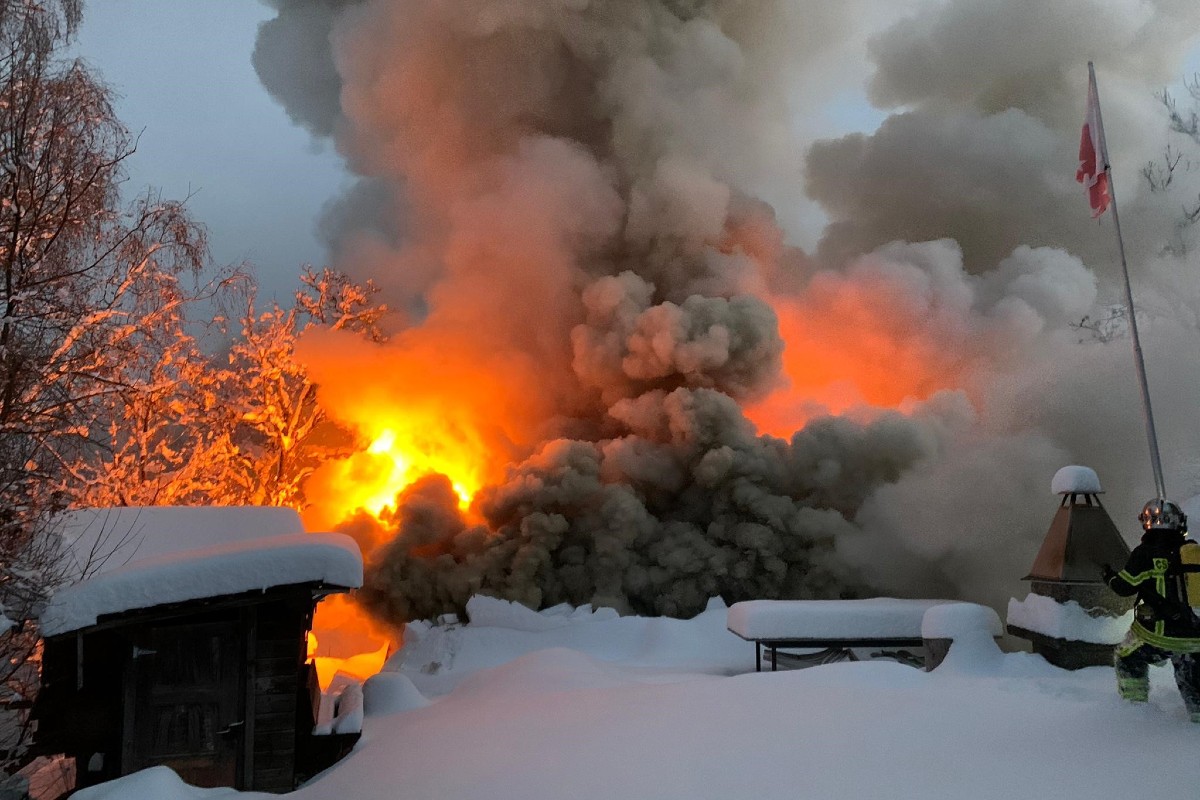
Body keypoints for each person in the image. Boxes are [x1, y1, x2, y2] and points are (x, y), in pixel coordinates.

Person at [1103, 498, 1200, 721]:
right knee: (1191, 673)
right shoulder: (1192, 552)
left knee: (1127, 656)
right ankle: (1196, 722)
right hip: (1196, 636)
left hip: (1159, 634)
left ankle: (1135, 711)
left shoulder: (1144, 554)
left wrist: (1108, 576)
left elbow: (1123, 587)